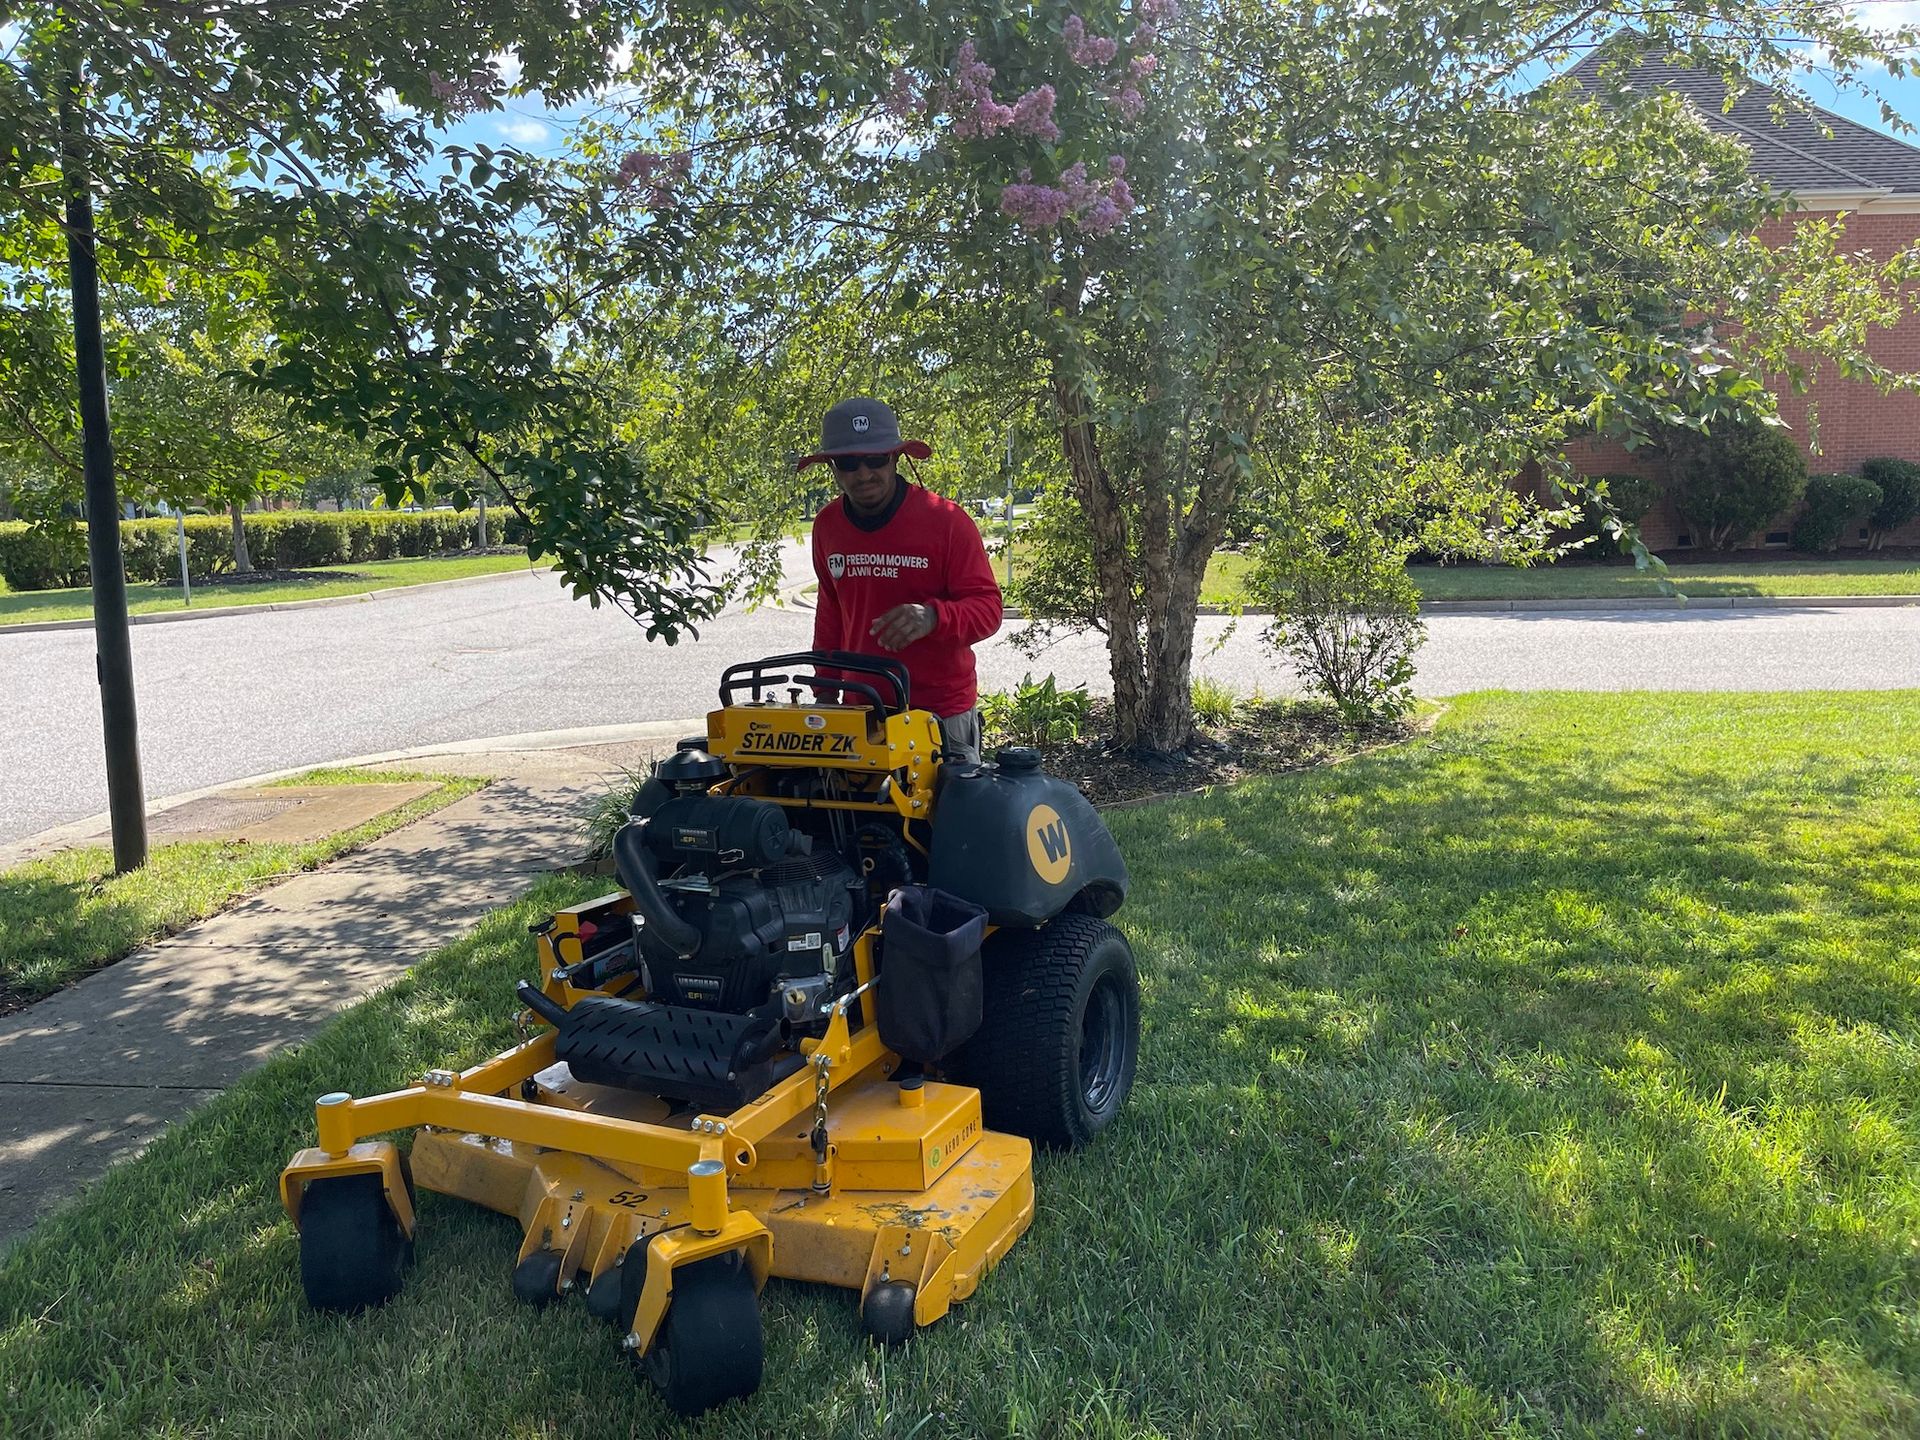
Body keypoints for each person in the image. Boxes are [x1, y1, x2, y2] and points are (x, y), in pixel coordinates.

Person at [799, 397, 1003, 764]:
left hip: (939, 715)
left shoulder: (948, 522)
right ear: (832, 466)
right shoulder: (827, 525)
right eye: (848, 463)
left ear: (895, 458)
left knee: (953, 821)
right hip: (861, 711)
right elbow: (831, 612)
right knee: (854, 821)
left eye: (875, 459)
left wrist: (932, 618)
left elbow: (988, 610)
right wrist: (825, 692)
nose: (863, 474)